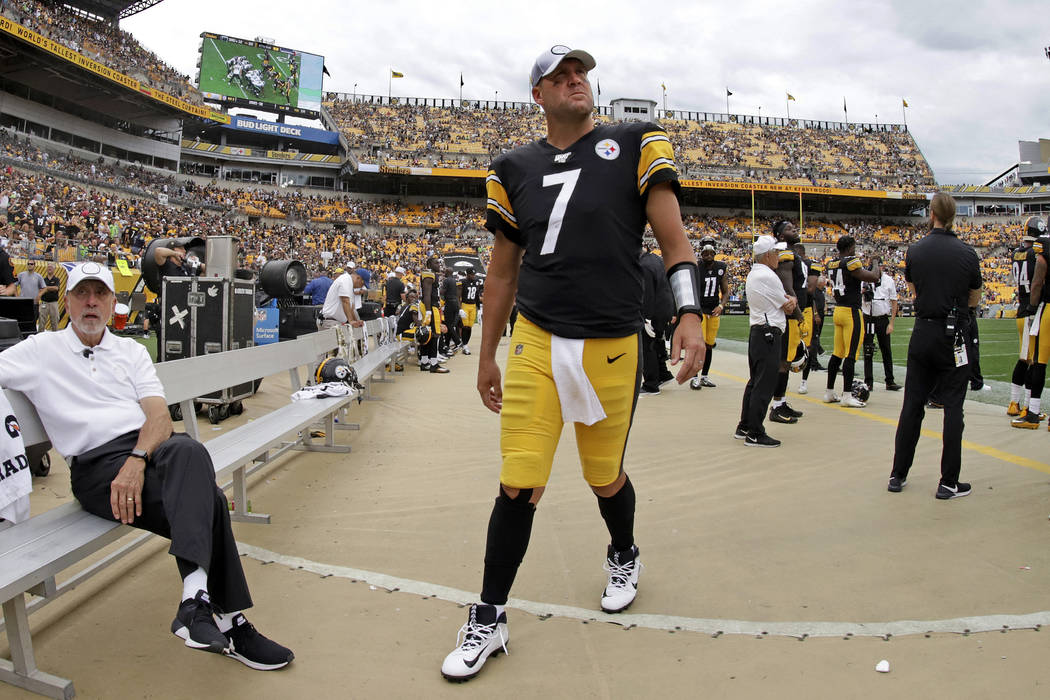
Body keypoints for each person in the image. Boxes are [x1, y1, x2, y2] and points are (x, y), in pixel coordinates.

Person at [440, 45, 703, 682]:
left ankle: (624, 550)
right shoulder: (513, 167)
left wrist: (689, 313)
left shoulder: (635, 142)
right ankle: (490, 614)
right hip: (536, 338)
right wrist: (486, 356)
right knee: (519, 479)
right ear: (539, 95)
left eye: (580, 72)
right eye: (559, 76)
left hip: (611, 341)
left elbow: (673, 241)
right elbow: (501, 274)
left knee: (603, 474)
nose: (574, 82)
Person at [0, 262, 294, 669]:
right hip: (96, 467)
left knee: (189, 450)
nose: (90, 303)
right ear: (67, 301)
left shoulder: (130, 351)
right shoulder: (39, 351)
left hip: (146, 450)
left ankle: (195, 598)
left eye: (99, 294)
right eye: (81, 294)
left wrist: (138, 459)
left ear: (111, 301)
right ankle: (229, 620)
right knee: (204, 497)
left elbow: (158, 417)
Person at [888, 193, 982, 498]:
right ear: (954, 215)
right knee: (954, 407)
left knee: (912, 405)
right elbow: (975, 298)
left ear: (932, 214)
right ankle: (948, 481)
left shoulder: (915, 250)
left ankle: (897, 474)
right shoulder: (967, 253)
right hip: (954, 333)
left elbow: (914, 290)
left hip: (923, 332)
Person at [735, 236, 797, 447]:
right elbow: (788, 306)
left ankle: (745, 425)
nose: (779, 256)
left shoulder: (755, 273)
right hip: (769, 332)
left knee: (755, 381)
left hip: (759, 332)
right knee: (765, 384)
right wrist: (793, 300)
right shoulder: (768, 276)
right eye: (776, 252)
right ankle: (755, 432)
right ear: (768, 255)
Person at [824, 235, 881, 407]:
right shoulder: (851, 262)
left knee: (837, 353)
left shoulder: (831, 263)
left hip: (838, 310)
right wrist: (876, 262)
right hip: (851, 312)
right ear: (850, 248)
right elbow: (873, 277)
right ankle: (847, 395)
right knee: (850, 354)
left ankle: (829, 392)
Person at [1011, 230, 1050, 430]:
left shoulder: (1042, 246)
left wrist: (1033, 306)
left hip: (1045, 309)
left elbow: (1037, 281)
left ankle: (1032, 412)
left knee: (1038, 362)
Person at [768, 221, 806, 424]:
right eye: (790, 229)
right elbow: (787, 288)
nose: (795, 230)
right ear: (781, 236)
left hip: (792, 315)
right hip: (789, 316)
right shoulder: (785, 254)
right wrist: (799, 315)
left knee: (788, 361)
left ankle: (781, 402)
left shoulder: (791, 253)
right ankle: (776, 407)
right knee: (783, 363)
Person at [1007, 220, 1043, 417]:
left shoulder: (1016, 253)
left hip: (1022, 309)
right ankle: (1025, 405)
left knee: (1026, 358)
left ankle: (1017, 402)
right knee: (1030, 360)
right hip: (1032, 310)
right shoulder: (1034, 254)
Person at [689, 237, 728, 390]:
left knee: (709, 345)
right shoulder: (696, 267)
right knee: (699, 345)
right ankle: (694, 377)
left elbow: (725, 291)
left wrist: (721, 305)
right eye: (705, 252)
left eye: (711, 252)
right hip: (700, 311)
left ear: (715, 252)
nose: (708, 255)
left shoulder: (721, 267)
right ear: (701, 253)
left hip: (714, 311)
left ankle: (704, 376)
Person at [861, 259, 901, 391]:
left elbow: (894, 301)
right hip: (868, 317)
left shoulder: (889, 280)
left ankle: (890, 381)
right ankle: (868, 381)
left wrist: (891, 323)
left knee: (886, 350)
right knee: (868, 350)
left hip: (882, 319)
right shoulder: (865, 279)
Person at [639, 247, 674, 395]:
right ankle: (663, 374)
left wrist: (647, 318)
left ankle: (651, 384)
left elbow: (648, 294)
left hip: (653, 312)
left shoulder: (644, 265)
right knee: (657, 342)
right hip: (663, 309)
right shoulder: (656, 260)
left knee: (647, 347)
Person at [419, 255, 448, 373]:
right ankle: (434, 364)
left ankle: (425, 362)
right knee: (435, 335)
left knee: (427, 334)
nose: (439, 265)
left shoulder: (433, 275)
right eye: (436, 263)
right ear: (429, 265)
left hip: (431, 306)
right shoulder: (429, 275)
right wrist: (429, 311)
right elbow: (427, 295)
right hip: (430, 307)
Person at [320, 265, 364, 329]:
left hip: (335, 321)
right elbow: (345, 301)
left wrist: (357, 321)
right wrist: (351, 321)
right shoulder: (345, 280)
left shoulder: (349, 285)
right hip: (330, 321)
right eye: (362, 284)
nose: (360, 287)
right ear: (358, 278)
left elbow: (352, 308)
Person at [459, 267, 483, 355]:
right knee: (464, 326)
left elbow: (477, 295)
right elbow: (459, 295)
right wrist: (460, 308)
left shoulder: (476, 282)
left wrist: (479, 308)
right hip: (465, 305)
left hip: (473, 306)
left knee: (469, 327)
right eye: (471, 275)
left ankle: (465, 344)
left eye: (474, 274)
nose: (473, 276)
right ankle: (464, 345)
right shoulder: (462, 282)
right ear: (467, 275)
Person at [16, 259, 46, 326]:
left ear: (34, 265)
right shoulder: (21, 275)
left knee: (33, 322)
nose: (30, 265)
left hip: (34, 304)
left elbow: (44, 288)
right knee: (22, 322)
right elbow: (14, 286)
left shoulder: (38, 276)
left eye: (31, 264)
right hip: (23, 303)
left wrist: (39, 295)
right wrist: (17, 296)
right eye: (28, 264)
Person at [37, 261, 61, 331]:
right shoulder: (43, 280)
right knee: (41, 322)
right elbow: (40, 289)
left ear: (54, 269)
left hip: (53, 303)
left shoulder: (56, 279)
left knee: (55, 322)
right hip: (44, 302)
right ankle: (39, 337)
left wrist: (46, 288)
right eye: (48, 267)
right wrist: (49, 288)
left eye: (51, 267)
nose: (49, 268)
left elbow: (56, 288)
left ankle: (55, 337)